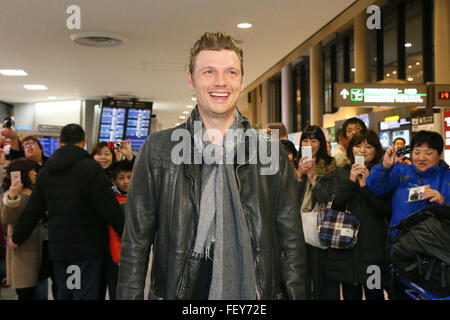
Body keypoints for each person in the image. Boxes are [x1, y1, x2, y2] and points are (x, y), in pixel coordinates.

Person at [117, 32, 307, 300]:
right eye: (208, 72)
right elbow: (136, 241)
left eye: (231, 72)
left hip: (254, 292)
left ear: (241, 80)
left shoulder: (269, 152)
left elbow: (291, 243)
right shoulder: (159, 150)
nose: (221, 82)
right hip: (181, 290)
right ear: (191, 80)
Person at [10, 124, 124, 300]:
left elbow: (33, 210)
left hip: (60, 250)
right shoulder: (92, 169)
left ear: (59, 142)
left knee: (66, 293)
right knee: (84, 294)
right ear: (84, 142)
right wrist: (128, 234)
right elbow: (109, 208)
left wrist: (18, 237)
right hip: (87, 249)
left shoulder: (47, 172)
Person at [366, 130, 450, 299]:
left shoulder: (447, 177)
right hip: (402, 251)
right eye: (417, 152)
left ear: (439, 154)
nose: (421, 158)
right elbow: (375, 186)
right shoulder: (400, 171)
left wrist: (444, 201)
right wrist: (385, 166)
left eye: (428, 152)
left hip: (436, 255)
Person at [326, 130, 391, 300]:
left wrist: (366, 187)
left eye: (368, 146)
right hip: (347, 250)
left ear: (376, 151)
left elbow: (385, 210)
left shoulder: (383, 174)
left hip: (374, 251)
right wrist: (351, 180)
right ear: (351, 150)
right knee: (350, 295)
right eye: (357, 146)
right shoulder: (341, 173)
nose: (362, 150)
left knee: (375, 294)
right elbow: (335, 206)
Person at [295, 125, 341, 300]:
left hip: (321, 227)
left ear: (321, 143)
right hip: (298, 227)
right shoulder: (293, 164)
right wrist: (299, 174)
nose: (309, 143)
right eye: (305, 140)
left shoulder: (330, 165)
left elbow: (328, 198)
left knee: (321, 276)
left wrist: (312, 178)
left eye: (314, 140)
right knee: (301, 276)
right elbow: (288, 199)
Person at [1, 158, 44, 300]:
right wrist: (12, 198)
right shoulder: (11, 196)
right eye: (32, 170)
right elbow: (7, 220)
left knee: (40, 292)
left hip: (43, 250)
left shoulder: (37, 193)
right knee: (26, 293)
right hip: (23, 254)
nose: (35, 174)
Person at [105, 160, 133, 300]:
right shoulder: (109, 199)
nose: (126, 181)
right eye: (121, 178)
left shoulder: (139, 198)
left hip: (133, 254)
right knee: (115, 291)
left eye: (129, 177)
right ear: (114, 180)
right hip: (113, 253)